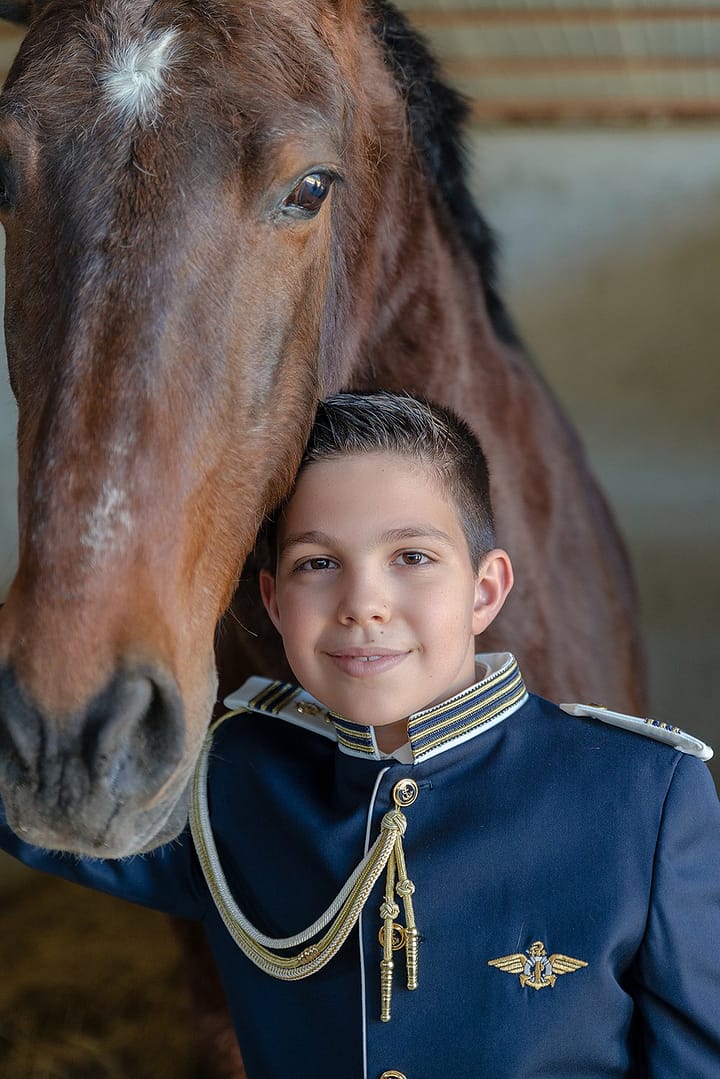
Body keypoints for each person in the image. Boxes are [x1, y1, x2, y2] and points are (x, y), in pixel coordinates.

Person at [1, 390, 719, 1078]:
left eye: (411, 556)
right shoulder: (233, 780)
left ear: (486, 589)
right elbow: (38, 794)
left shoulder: (642, 795)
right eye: (318, 563)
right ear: (275, 603)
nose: (363, 604)